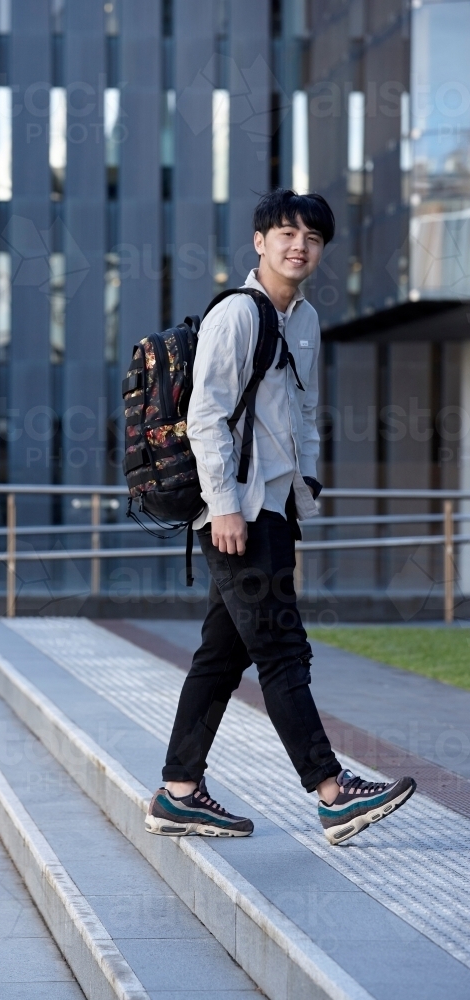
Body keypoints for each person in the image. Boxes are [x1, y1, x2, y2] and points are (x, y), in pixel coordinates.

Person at [146, 189, 416, 846]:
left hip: (274, 506)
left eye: (312, 238)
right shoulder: (237, 315)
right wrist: (224, 508)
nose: (299, 245)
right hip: (236, 511)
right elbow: (206, 417)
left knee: (221, 654)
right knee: (282, 648)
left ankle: (178, 793)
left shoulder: (305, 318)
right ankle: (330, 793)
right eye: (286, 233)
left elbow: (301, 411)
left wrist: (306, 491)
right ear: (259, 241)